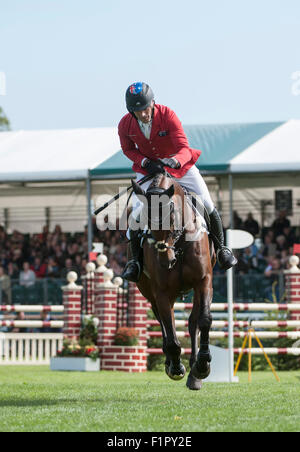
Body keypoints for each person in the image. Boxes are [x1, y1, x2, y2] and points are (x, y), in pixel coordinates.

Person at [118, 82, 237, 282]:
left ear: (153, 103)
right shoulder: (125, 125)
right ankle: (135, 262)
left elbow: (183, 146)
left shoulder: (168, 115)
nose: (144, 114)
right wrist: (145, 162)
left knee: (207, 204)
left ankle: (223, 250)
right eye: (138, 111)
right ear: (132, 111)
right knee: (137, 214)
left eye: (146, 108)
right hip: (149, 171)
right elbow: (128, 149)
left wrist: (173, 161)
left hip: (179, 167)